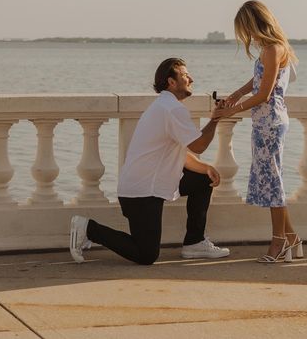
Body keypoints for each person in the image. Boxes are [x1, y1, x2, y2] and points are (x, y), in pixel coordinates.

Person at [70, 57, 229, 265]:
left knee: (203, 179)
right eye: (185, 75)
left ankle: (194, 242)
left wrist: (205, 168)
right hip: (142, 191)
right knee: (146, 255)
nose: (191, 78)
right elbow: (198, 145)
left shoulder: (165, 105)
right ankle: (88, 229)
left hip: (149, 184)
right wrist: (216, 118)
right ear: (171, 82)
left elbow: (177, 152)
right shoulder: (172, 109)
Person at [215, 0, 303, 263]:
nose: (246, 35)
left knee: (273, 182)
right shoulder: (271, 49)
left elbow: (264, 94)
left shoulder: (274, 48)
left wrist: (233, 109)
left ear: (253, 23)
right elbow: (260, 82)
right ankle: (292, 238)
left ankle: (279, 242)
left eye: (245, 28)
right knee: (270, 180)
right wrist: (237, 94)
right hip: (267, 122)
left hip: (270, 123)